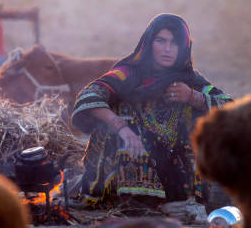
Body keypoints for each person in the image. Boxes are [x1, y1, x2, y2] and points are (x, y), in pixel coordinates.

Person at [71, 14, 232, 208]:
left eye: (175, 43)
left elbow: (231, 108)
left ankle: (186, 199)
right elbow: (89, 95)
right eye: (161, 40)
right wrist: (121, 127)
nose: (167, 49)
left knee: (205, 118)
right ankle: (130, 200)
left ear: (184, 48)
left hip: (177, 163)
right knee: (122, 109)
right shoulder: (127, 73)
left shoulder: (190, 80)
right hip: (127, 152)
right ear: (149, 42)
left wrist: (193, 97)